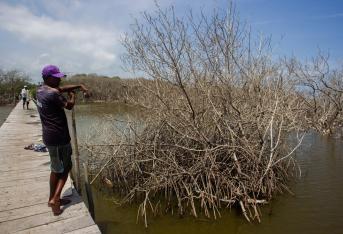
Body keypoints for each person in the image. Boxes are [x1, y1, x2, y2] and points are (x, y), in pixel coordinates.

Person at [36, 65, 90, 215]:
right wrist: (73, 96)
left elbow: (60, 89)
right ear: (48, 78)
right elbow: (69, 106)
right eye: (56, 77)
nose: (59, 79)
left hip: (49, 137)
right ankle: (56, 199)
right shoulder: (53, 94)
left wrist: (79, 85)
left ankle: (50, 198)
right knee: (65, 169)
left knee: (55, 169)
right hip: (60, 137)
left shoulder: (40, 90)